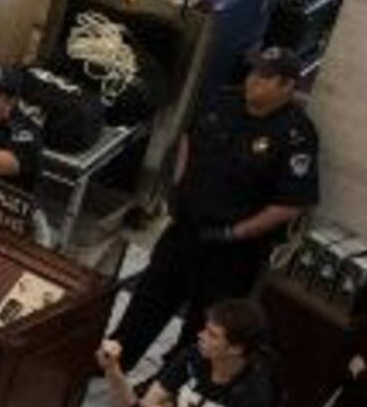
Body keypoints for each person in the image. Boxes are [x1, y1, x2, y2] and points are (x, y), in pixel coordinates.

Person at [108, 48, 321, 373]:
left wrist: (235, 232)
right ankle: (114, 359)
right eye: (254, 72)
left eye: (265, 77)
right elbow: (188, 139)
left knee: (205, 325)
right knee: (149, 299)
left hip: (233, 250)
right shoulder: (224, 101)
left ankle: (171, 381)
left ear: (287, 86)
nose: (253, 81)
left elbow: (289, 204)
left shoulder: (296, 135)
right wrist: (177, 187)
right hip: (186, 228)